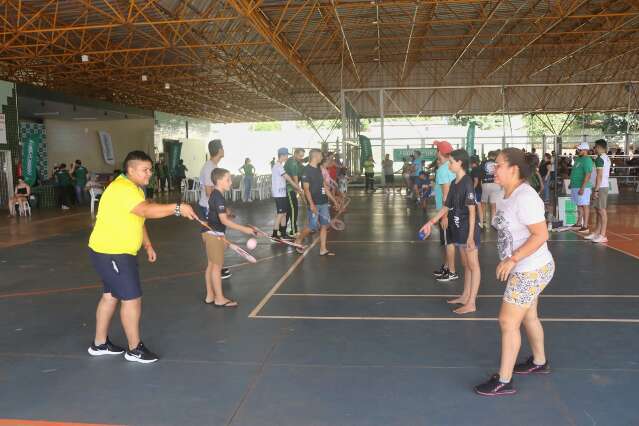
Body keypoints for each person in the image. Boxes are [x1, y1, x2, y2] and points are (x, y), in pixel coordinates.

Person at [87, 150, 198, 363]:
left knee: (110, 296)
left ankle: (99, 344)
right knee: (131, 299)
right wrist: (177, 208)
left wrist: (147, 244)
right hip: (114, 252)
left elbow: (138, 216)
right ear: (131, 170)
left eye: (150, 170)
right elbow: (147, 211)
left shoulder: (132, 187)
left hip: (108, 250)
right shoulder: (123, 189)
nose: (149, 174)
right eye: (145, 170)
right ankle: (134, 349)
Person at [474, 148, 554, 396]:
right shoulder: (505, 194)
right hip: (528, 267)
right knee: (529, 316)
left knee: (508, 321)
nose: (492, 169)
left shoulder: (526, 198)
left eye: (497, 165)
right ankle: (539, 362)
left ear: (514, 169)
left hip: (530, 269)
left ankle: (504, 380)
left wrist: (512, 259)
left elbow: (541, 235)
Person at [421, 149, 481, 314]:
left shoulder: (467, 182)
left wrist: (470, 237)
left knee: (473, 265)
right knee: (466, 265)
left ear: (460, 163)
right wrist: (430, 222)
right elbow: (446, 206)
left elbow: (472, 211)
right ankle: (465, 296)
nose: (449, 164)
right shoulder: (455, 182)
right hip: (458, 228)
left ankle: (472, 303)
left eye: (452, 162)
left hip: (468, 230)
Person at [202, 168, 257, 307]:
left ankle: (210, 295)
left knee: (211, 265)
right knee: (216, 267)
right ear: (219, 181)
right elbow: (224, 221)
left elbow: (219, 215)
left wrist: (227, 214)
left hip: (209, 233)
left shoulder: (216, 194)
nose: (231, 182)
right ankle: (219, 298)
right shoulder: (218, 196)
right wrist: (246, 229)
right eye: (228, 179)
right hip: (213, 234)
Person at [295, 149, 340, 256]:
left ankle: (323, 249)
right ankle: (298, 240)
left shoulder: (319, 169)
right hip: (314, 203)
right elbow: (306, 190)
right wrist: (311, 204)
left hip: (323, 202)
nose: (322, 158)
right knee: (312, 226)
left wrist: (334, 201)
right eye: (320, 155)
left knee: (324, 225)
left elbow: (324, 186)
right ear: (315, 156)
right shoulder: (306, 171)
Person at [198, 140, 231, 280]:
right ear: (219, 150)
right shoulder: (209, 168)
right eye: (223, 148)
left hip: (212, 207)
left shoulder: (213, 167)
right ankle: (216, 267)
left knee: (218, 237)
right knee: (214, 238)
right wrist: (221, 208)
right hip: (207, 208)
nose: (224, 149)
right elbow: (208, 191)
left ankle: (217, 265)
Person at [432, 141, 458, 282]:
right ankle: (446, 266)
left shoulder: (442, 170)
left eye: (436, 150)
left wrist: (444, 216)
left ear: (439, 153)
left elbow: (446, 194)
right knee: (447, 241)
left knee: (449, 242)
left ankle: (452, 271)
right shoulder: (451, 167)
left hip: (447, 210)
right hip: (454, 209)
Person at [272, 148, 302, 240]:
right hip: (278, 194)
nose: (287, 157)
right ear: (282, 155)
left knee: (284, 213)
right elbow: (288, 178)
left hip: (282, 193)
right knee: (281, 213)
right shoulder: (278, 166)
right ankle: (275, 234)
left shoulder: (280, 165)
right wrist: (297, 187)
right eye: (286, 155)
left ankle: (283, 233)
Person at [585, 139, 611, 244]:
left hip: (600, 187)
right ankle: (597, 232)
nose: (594, 149)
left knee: (602, 211)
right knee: (598, 210)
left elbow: (599, 176)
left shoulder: (600, 159)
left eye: (595, 147)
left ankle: (603, 235)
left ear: (599, 147)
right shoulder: (603, 158)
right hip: (599, 187)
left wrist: (596, 190)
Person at [569, 143, 593, 233]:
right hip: (576, 186)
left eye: (579, 149)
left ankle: (585, 226)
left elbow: (588, 174)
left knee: (585, 205)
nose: (577, 151)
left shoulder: (587, 160)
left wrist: (583, 187)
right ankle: (579, 223)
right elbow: (575, 172)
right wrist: (571, 183)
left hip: (583, 187)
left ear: (584, 150)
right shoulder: (579, 159)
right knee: (579, 205)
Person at [285, 149, 305, 236]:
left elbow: (302, 173)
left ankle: (281, 230)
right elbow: (295, 178)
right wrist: (299, 190)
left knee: (289, 210)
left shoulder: (297, 163)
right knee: (293, 210)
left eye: (302, 156)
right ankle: (293, 231)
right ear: (295, 154)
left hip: (291, 189)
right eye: (300, 156)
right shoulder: (292, 163)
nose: (301, 158)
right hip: (288, 189)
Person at [480, 151, 501, 228]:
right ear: (495, 156)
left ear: (488, 156)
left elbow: (480, 174)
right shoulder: (497, 163)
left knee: (483, 203)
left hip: (485, 184)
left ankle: (483, 221)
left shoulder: (483, 163)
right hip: (496, 184)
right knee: (493, 204)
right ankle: (493, 222)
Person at [470, 157, 484, 229]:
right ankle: (480, 222)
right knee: (479, 206)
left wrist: (471, 189)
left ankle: (481, 223)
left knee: (478, 206)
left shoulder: (474, 170)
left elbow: (476, 181)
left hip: (476, 190)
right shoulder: (480, 168)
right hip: (479, 190)